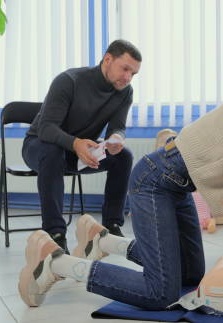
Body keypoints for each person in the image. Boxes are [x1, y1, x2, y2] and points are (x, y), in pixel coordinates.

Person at [18, 85, 223, 309]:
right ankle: (56, 262)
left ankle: (103, 243)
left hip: (178, 185)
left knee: (191, 278)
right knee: (160, 291)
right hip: (155, 180)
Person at [22, 40, 141, 250]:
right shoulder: (69, 81)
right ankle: (56, 234)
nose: (128, 77)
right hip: (40, 146)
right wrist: (75, 143)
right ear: (107, 59)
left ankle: (112, 226)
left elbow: (118, 127)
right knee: (53, 152)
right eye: (125, 69)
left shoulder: (125, 92)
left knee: (124, 156)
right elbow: (46, 128)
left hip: (79, 150)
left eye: (133, 74)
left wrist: (115, 139)